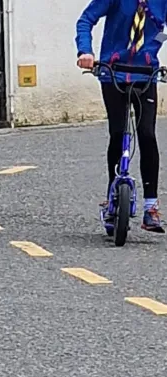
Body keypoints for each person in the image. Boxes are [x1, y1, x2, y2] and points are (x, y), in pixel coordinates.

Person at [75, 0, 167, 232]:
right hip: (112, 72)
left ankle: (151, 206)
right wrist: (85, 51)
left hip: (145, 74)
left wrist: (153, 48)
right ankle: (111, 196)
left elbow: (161, 30)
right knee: (117, 133)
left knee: (146, 133)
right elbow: (86, 20)